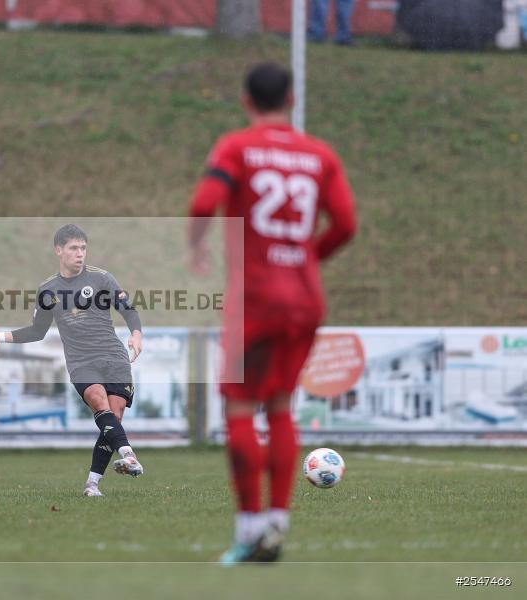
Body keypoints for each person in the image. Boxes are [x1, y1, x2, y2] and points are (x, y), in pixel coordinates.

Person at [187, 62, 357, 564]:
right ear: (292, 99)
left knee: (241, 409)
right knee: (281, 405)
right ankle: (278, 525)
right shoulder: (319, 154)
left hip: (256, 297)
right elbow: (345, 224)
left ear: (246, 100)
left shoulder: (236, 147)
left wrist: (196, 249)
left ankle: (248, 529)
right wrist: (306, 258)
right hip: (305, 299)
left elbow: (203, 205)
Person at [0, 224, 144, 497]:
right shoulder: (48, 290)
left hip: (114, 357)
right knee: (98, 400)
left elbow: (128, 309)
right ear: (59, 250)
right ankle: (130, 456)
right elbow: (36, 331)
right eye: (74, 248)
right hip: (81, 361)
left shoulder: (102, 279)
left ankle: (92, 484)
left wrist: (136, 334)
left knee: (114, 418)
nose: (80, 254)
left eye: (83, 248)